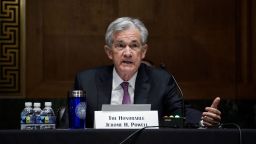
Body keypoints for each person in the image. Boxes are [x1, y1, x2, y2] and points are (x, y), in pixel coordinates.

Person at [73, 17, 221, 128]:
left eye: (134, 46)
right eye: (120, 46)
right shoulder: (86, 81)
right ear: (109, 52)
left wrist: (204, 120)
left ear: (143, 52)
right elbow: (71, 124)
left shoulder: (161, 81)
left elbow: (180, 113)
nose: (128, 53)